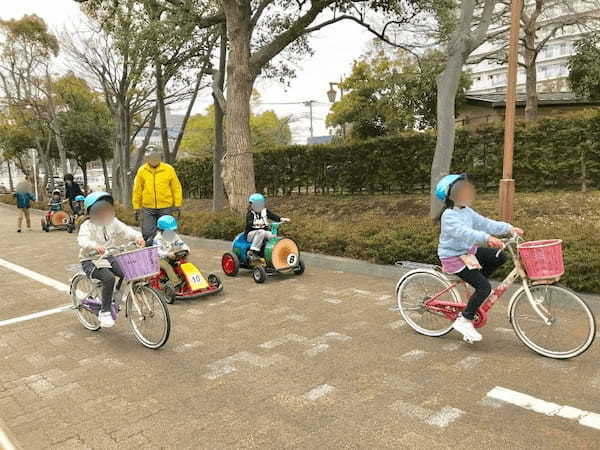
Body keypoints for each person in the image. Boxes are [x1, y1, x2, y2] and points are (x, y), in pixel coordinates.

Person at [435, 174, 523, 343]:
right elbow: (465, 232)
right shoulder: (449, 215)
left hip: (468, 252)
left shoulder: (466, 211)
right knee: (485, 288)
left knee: (500, 257)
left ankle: (478, 284)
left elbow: (485, 223)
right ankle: (465, 319)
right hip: (453, 257)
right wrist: (487, 238)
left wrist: (509, 228)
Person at [78, 191, 145, 328]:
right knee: (109, 278)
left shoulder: (113, 222)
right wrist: (94, 245)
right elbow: (82, 239)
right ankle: (105, 311)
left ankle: (113, 298)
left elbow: (127, 231)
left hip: (108, 256)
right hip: (90, 259)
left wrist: (137, 237)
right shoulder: (87, 225)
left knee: (128, 272)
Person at [132, 149, 183, 246]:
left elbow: (176, 187)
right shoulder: (142, 171)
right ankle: (151, 252)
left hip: (166, 207)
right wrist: (136, 207)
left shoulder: (168, 169)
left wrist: (177, 204)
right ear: (147, 158)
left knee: (168, 233)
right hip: (148, 208)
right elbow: (137, 190)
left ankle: (168, 252)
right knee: (147, 233)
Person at [245, 193, 290, 261]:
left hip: (261, 233)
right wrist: (259, 223)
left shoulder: (264, 211)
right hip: (250, 235)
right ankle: (252, 252)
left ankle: (273, 252)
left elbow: (272, 216)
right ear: (252, 204)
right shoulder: (250, 213)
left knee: (271, 235)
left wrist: (282, 219)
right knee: (261, 232)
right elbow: (249, 223)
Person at [153, 215, 190, 288]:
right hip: (158, 259)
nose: (172, 232)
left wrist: (187, 249)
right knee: (167, 267)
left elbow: (181, 243)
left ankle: (189, 279)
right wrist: (167, 254)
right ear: (162, 230)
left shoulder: (173, 236)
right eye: (170, 230)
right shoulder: (158, 239)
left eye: (173, 230)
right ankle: (176, 284)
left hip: (170, 255)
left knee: (184, 262)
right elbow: (158, 251)